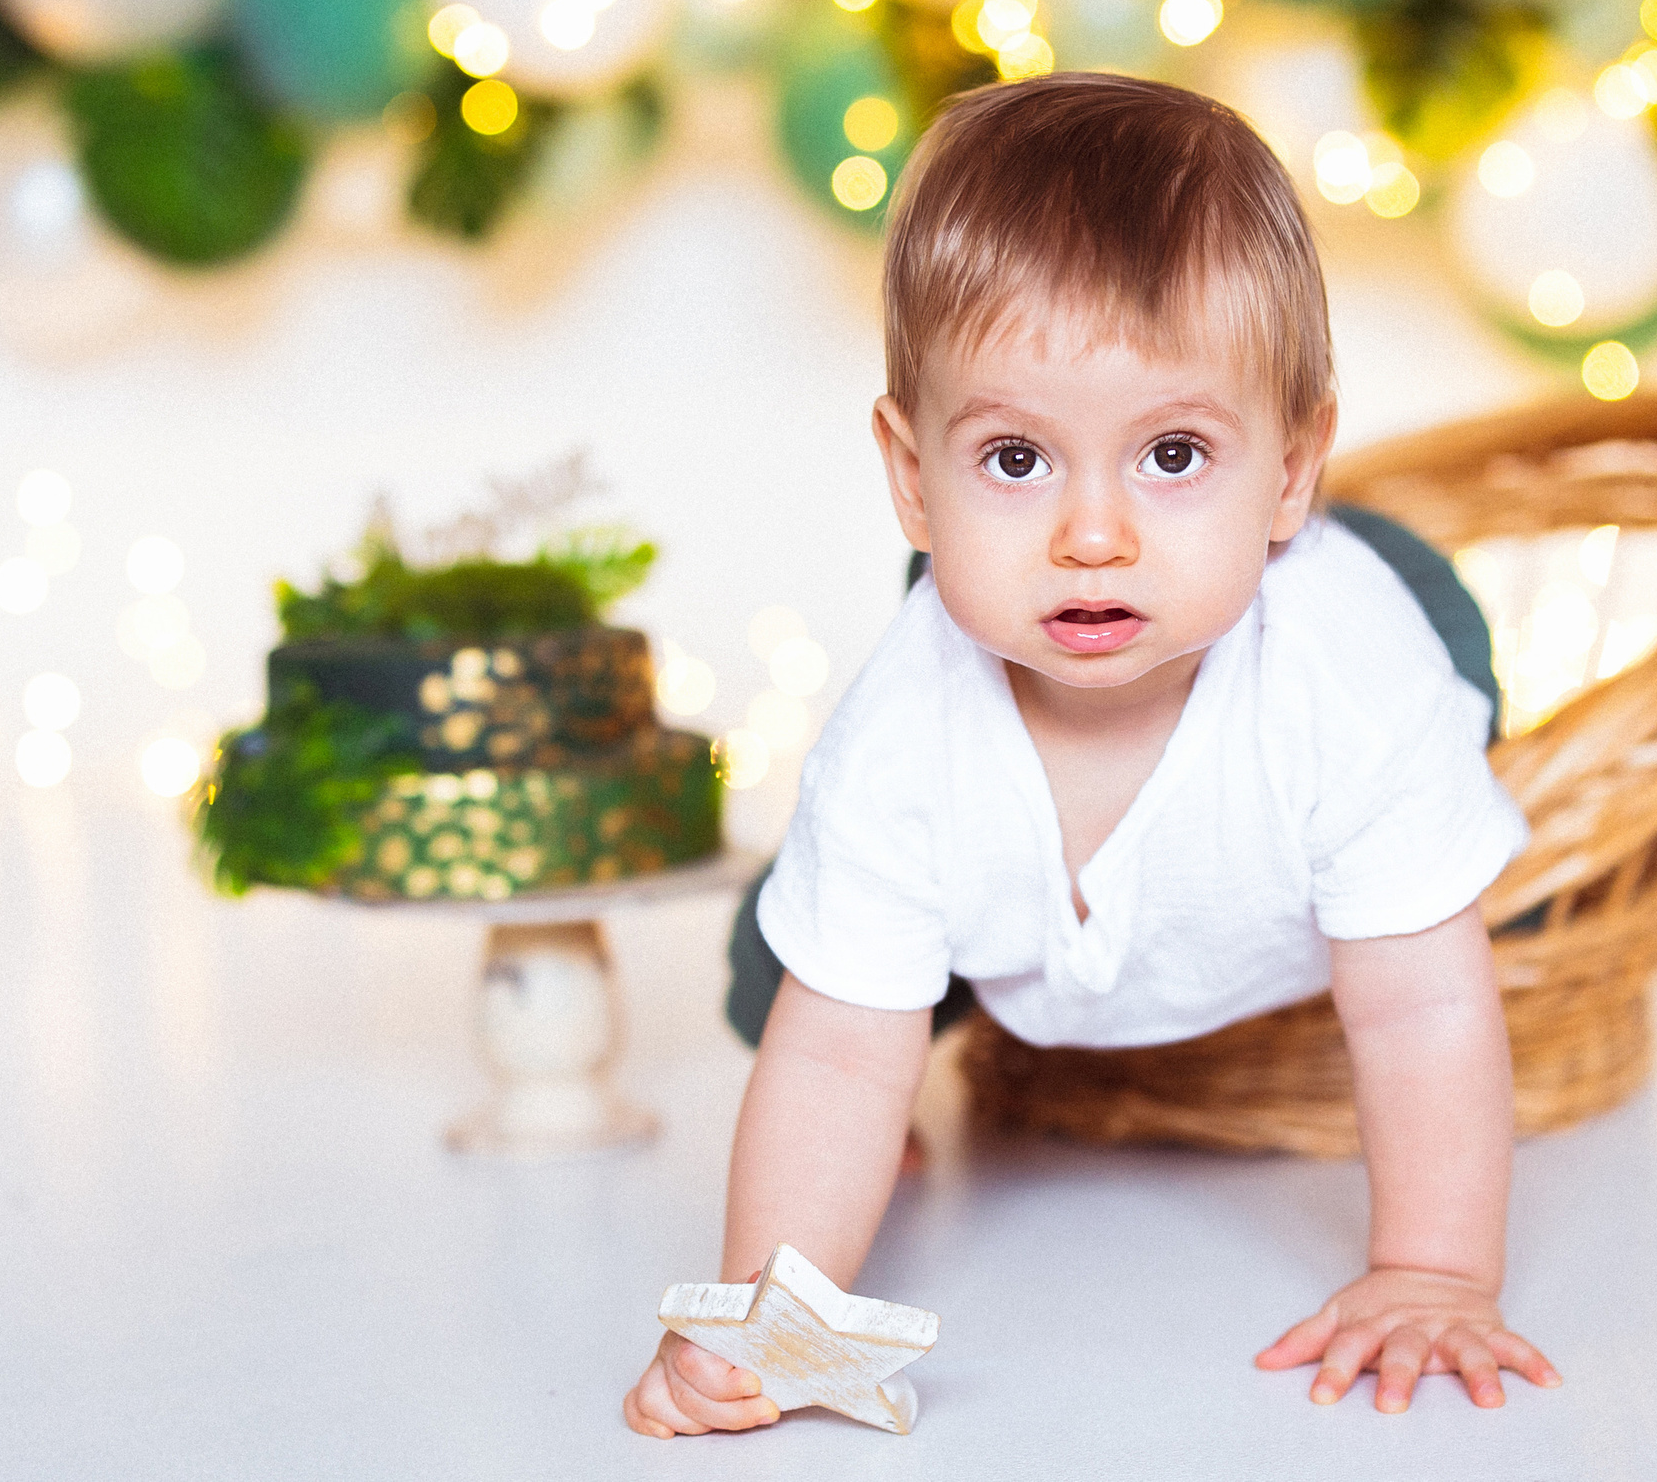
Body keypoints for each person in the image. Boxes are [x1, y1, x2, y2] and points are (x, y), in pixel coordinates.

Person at [625, 73, 1558, 1437]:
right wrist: (776, 1313)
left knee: (1440, 738)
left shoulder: (1348, 691)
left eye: (1173, 451)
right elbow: (833, 1061)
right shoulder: (900, 740)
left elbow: (1423, 1008)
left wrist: (1433, 1267)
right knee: (790, 971)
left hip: (1338, 654)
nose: (1095, 534)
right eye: (1015, 459)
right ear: (908, 474)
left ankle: (1246, 514)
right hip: (1003, 876)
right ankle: (1042, 536)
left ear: (1295, 466)